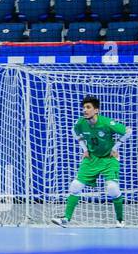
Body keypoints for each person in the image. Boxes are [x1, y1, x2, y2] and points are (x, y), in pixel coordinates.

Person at [53, 96, 129, 227]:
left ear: (96, 110)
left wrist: (115, 147)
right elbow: (74, 132)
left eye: (88, 107)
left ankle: (120, 219)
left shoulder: (106, 123)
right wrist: (85, 149)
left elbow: (128, 131)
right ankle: (65, 219)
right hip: (91, 159)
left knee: (112, 189)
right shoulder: (81, 123)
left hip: (109, 159)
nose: (85, 110)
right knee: (75, 186)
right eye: (83, 108)